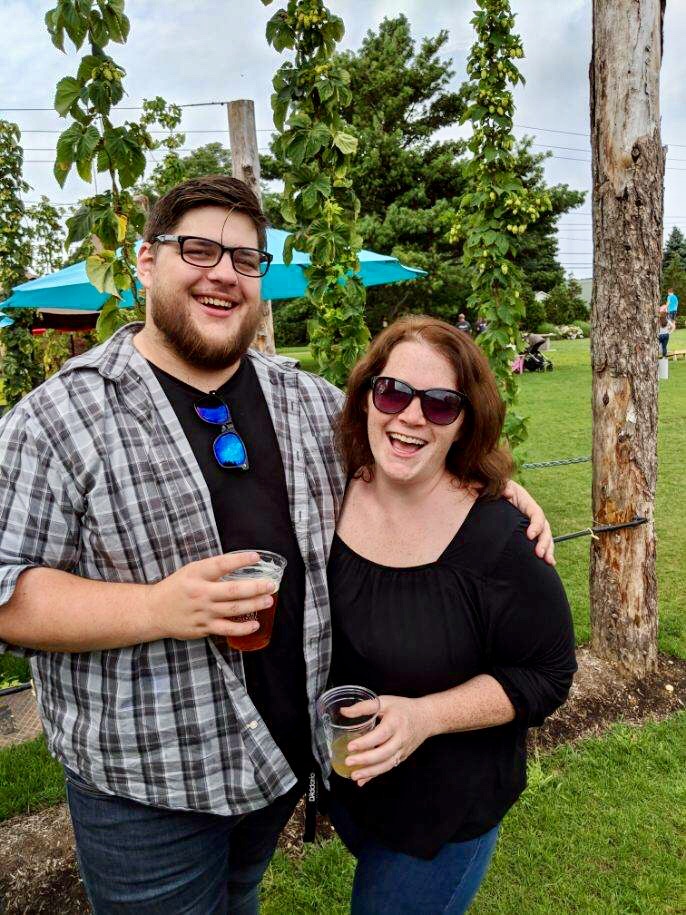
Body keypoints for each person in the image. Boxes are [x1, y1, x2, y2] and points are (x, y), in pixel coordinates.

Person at [0, 176, 553, 913]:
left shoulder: (309, 402)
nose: (223, 272)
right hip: (148, 791)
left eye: (246, 258)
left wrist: (497, 493)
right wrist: (160, 607)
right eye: (197, 249)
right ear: (144, 262)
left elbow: (406, 459)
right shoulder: (57, 418)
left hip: (275, 772)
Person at [326, 316, 577, 915]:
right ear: (366, 397)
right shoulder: (329, 490)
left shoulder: (499, 539)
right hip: (357, 791)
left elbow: (549, 671)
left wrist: (427, 717)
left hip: (448, 808)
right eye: (392, 393)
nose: (410, 417)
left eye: (440, 405)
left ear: (465, 422)